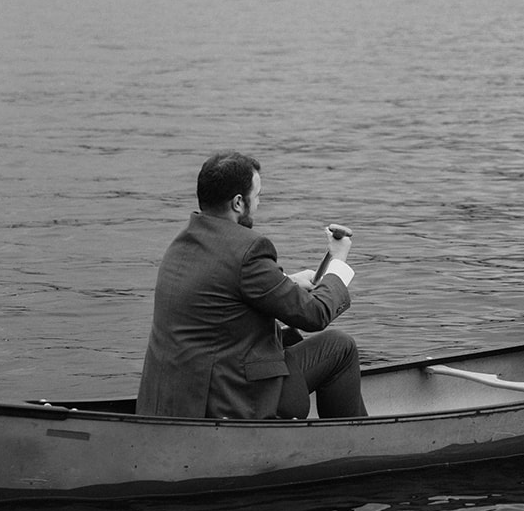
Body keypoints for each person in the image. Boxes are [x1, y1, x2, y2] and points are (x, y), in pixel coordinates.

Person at [136, 150, 367, 419]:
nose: (257, 204)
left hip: (172, 400)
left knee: (290, 339)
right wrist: (338, 262)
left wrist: (288, 282)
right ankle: (352, 444)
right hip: (229, 400)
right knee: (340, 346)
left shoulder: (182, 243)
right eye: (257, 196)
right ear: (238, 203)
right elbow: (314, 315)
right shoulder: (250, 250)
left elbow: (220, 293)